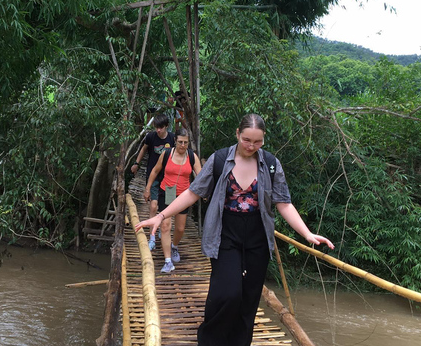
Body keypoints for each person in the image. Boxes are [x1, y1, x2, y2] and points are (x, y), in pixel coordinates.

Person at [135, 113, 333, 346]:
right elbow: (193, 192)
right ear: (237, 134)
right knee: (227, 294)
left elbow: (283, 203)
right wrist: (161, 215)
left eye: (257, 141)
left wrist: (307, 234)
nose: (251, 146)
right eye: (246, 140)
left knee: (248, 300)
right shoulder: (220, 159)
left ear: (263, 139)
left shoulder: (270, 164)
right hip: (225, 232)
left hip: (257, 236)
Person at [144, 128, 202, 273]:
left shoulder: (192, 156)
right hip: (168, 192)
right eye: (180, 142)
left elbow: (201, 176)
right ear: (175, 141)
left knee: (180, 228)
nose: (183, 145)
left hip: (184, 195)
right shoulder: (167, 154)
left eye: (186, 142)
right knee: (165, 225)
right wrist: (148, 188)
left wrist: (203, 192)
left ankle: (174, 246)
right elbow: (155, 171)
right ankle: (168, 261)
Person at [131, 113, 175, 250]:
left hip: (170, 177)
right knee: (153, 206)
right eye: (156, 127)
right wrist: (136, 163)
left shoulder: (173, 138)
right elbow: (144, 149)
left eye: (161, 128)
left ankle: (163, 230)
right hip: (153, 175)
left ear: (166, 126)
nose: (158, 130)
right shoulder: (151, 137)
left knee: (168, 208)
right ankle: (152, 237)